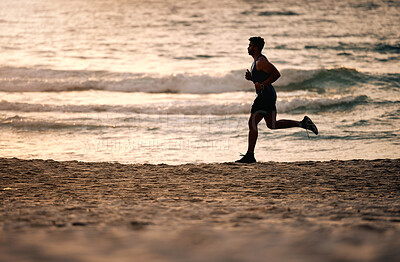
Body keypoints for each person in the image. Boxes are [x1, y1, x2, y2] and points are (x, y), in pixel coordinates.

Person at [236, 36, 318, 164]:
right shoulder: (256, 61)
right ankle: (303, 123)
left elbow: (276, 74)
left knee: (252, 123)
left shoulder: (260, 61)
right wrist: (252, 79)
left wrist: (262, 85)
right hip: (269, 95)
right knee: (272, 125)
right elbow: (262, 78)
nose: (248, 47)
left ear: (256, 48)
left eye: (250, 45)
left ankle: (250, 155)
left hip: (265, 96)